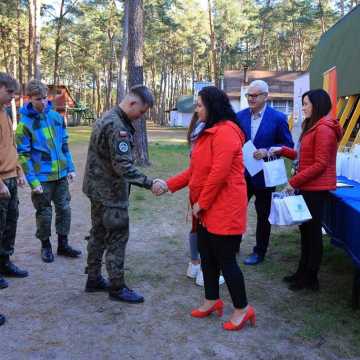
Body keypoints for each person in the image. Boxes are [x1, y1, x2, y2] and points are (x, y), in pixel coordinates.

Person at [160, 86, 255, 331]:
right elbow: (195, 171)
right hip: (206, 210)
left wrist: (201, 203)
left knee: (226, 261)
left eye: (200, 105)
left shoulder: (226, 132)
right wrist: (168, 185)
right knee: (207, 257)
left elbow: (219, 174)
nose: (196, 109)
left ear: (212, 106)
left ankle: (243, 309)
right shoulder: (208, 132)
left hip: (224, 209)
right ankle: (211, 299)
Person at [82, 85, 164, 303]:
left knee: (98, 233)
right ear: (132, 103)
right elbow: (123, 167)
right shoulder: (118, 126)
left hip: (97, 190)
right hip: (110, 194)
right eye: (142, 111)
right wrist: (150, 183)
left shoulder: (107, 117)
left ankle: (93, 278)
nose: (141, 117)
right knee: (117, 238)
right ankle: (117, 288)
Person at [271, 89, 342, 291]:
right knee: (305, 232)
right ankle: (302, 272)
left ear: (317, 105)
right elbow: (304, 158)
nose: (302, 108)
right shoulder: (312, 126)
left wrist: (294, 182)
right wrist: (283, 150)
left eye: (306, 104)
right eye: (302, 104)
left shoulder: (324, 129)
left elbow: (320, 164)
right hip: (307, 187)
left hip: (315, 189)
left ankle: (311, 278)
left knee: (312, 234)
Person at [16, 80, 81, 263]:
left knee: (64, 209)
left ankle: (63, 244)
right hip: (42, 179)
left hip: (61, 176)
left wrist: (71, 167)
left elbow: (65, 145)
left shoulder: (56, 117)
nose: (43, 102)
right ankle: (45, 246)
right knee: (44, 212)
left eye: (45, 98)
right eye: (38, 99)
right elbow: (23, 155)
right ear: (29, 98)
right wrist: (33, 182)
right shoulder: (25, 124)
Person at [236, 80, 294, 265]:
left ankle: (259, 252)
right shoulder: (239, 116)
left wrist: (267, 150)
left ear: (266, 96)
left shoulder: (278, 118)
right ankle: (232, 245)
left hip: (265, 175)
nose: (251, 99)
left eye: (255, 95)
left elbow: (288, 146)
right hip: (241, 175)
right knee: (236, 211)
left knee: (263, 215)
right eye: (248, 95)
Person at [185, 113, 224, 287]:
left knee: (196, 227)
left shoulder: (195, 131)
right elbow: (214, 171)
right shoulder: (208, 134)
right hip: (206, 190)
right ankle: (205, 273)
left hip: (195, 189)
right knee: (207, 231)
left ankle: (194, 264)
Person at [0, 73, 29, 285]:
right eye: (9, 92)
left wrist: (18, 170)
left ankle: (5, 262)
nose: (12, 97)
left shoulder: (6, 113)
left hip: (10, 178)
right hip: (0, 182)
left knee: (10, 223)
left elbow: (11, 146)